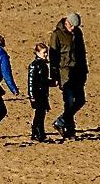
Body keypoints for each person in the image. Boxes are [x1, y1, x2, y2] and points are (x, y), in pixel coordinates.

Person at [49, 12, 88, 140]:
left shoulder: (78, 33)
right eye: (72, 26)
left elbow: (82, 53)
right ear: (67, 22)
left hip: (78, 72)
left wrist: (85, 70)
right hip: (64, 74)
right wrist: (54, 76)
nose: (73, 29)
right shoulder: (57, 35)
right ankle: (69, 131)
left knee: (80, 100)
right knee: (69, 102)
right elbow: (53, 56)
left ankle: (61, 121)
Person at [28, 42, 51, 142]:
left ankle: (36, 134)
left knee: (40, 114)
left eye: (46, 53)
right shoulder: (34, 65)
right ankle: (39, 134)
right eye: (44, 52)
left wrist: (51, 82)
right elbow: (31, 82)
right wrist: (32, 95)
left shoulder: (43, 65)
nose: (46, 54)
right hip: (38, 94)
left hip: (43, 93)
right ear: (37, 53)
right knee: (39, 115)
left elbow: (43, 80)